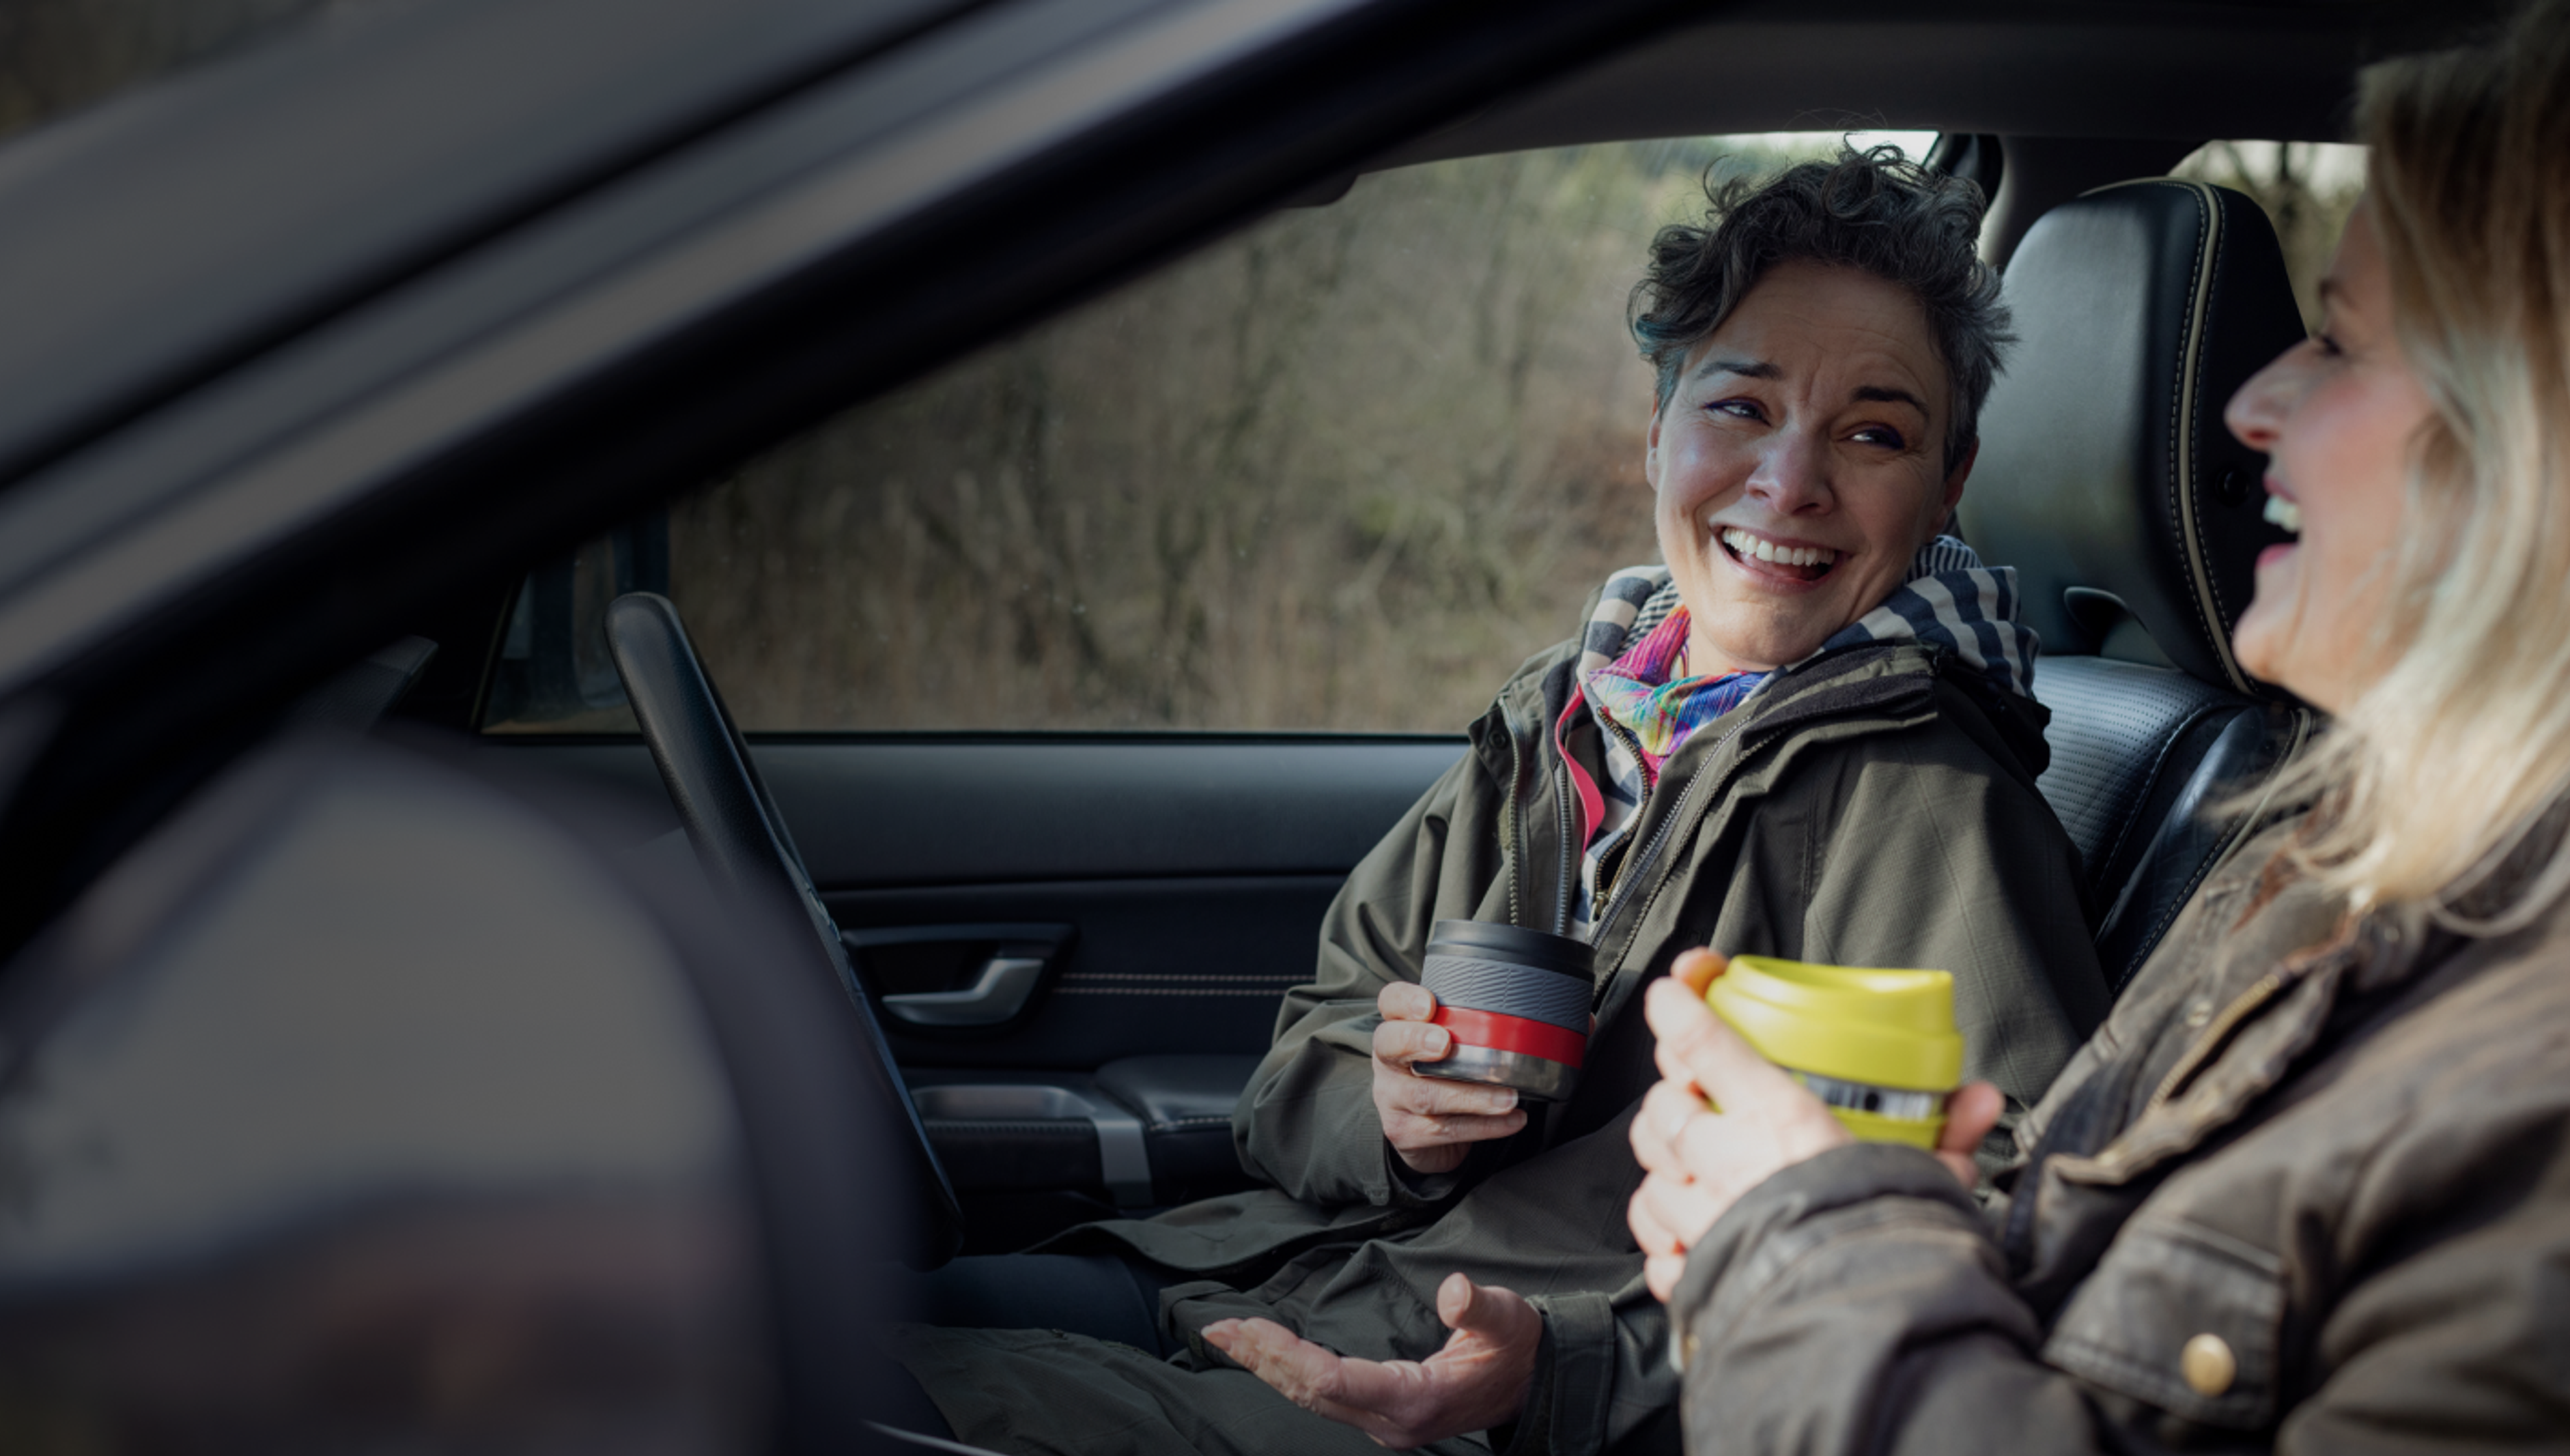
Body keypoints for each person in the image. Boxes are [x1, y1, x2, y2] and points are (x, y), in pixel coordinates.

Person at [886, 147, 2110, 1456]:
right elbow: (1314, 1039)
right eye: (1741, 407)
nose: (1791, 480)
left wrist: (1568, 1369)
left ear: (1949, 484)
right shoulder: (1566, 714)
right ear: (1658, 431)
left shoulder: (1931, 799)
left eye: (1873, 434)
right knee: (819, 1320)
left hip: (1490, 1394)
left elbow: (1981, 1232)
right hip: (1281, 1269)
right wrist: (1388, 1117)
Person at [1620, 8, 2570, 1449]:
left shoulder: (2523, 1080)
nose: (2253, 401)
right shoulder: (2334, 862)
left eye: (2341, 343)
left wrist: (1800, 1247)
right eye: (1740, 406)